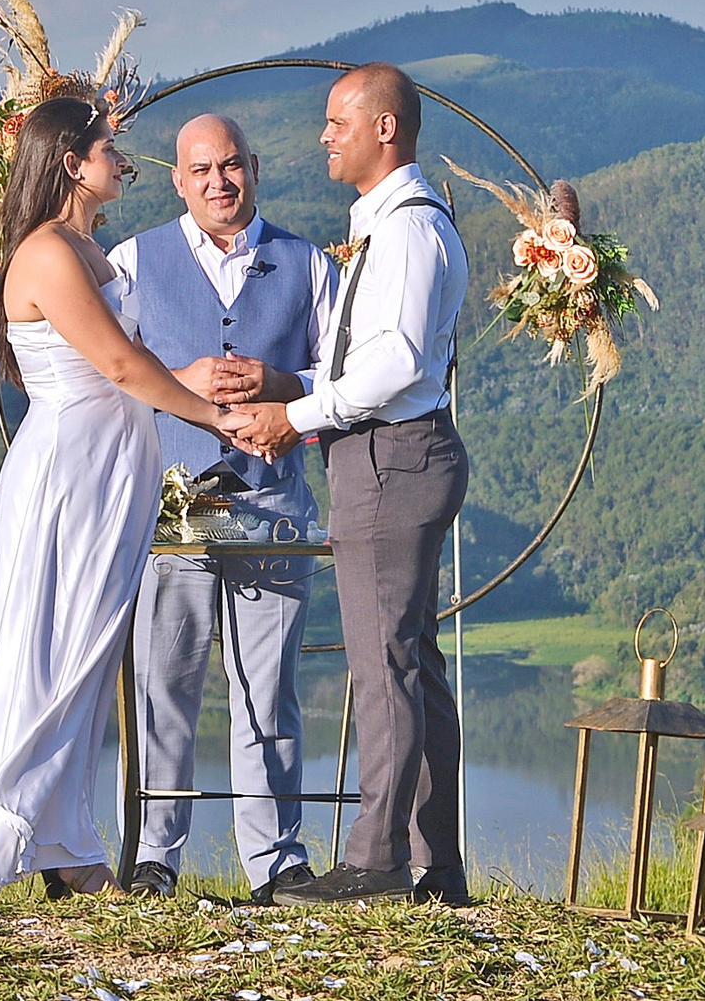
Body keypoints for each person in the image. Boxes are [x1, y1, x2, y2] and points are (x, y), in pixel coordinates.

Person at [0, 96, 259, 897]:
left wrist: (201, 387)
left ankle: (62, 839)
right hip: (69, 476)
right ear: (72, 162)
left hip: (111, 474)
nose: (122, 161)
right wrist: (213, 417)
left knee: (88, 649)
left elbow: (139, 358)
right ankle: (10, 827)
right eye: (110, 148)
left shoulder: (87, 248)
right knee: (49, 647)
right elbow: (118, 365)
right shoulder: (45, 253)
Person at [232, 64, 473, 906]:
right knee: (411, 660)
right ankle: (435, 862)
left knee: (382, 664)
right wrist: (285, 387)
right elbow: (368, 360)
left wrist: (294, 418)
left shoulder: (405, 232)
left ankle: (376, 862)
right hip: (393, 452)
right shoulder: (394, 224)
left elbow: (397, 364)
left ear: (384, 128)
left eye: (338, 121)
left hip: (388, 460)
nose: (324, 135)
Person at [106, 114, 339, 905]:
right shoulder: (134, 261)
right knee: (162, 685)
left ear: (255, 167)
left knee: (268, 690)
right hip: (174, 506)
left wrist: (281, 385)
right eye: (201, 169)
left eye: (231, 165)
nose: (218, 181)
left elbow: (343, 378)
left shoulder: (309, 264)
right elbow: (108, 374)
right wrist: (184, 379)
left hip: (273, 505)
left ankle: (276, 860)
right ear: (178, 179)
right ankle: (153, 855)